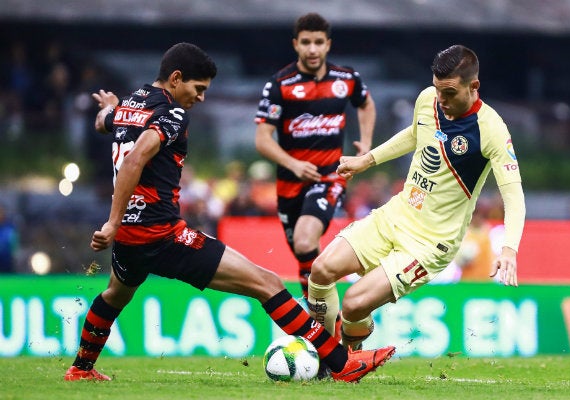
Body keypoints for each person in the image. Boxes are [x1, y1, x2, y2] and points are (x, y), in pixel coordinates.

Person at [63, 42, 394, 383]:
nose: (201, 98)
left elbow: (105, 123)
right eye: (198, 88)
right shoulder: (172, 114)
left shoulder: (130, 105)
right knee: (268, 283)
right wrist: (111, 222)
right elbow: (135, 160)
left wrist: (110, 109)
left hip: (131, 239)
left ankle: (80, 369)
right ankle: (342, 363)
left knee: (115, 294)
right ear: (176, 79)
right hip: (160, 234)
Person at [307, 45, 526, 350]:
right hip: (396, 214)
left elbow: (513, 195)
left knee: (355, 304)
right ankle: (325, 356)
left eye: (449, 93)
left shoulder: (491, 130)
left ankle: (344, 355)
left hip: (429, 244)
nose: (441, 100)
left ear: (473, 86)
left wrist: (509, 249)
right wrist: (366, 160)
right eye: (438, 90)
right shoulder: (428, 99)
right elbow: (414, 134)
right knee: (320, 272)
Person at [254, 13, 376, 310]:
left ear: (328, 45)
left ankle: (322, 318)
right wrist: (293, 164)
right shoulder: (280, 85)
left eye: (318, 42)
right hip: (289, 183)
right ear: (296, 44)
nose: (312, 49)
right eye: (306, 42)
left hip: (329, 176)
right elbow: (262, 139)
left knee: (307, 240)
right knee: (302, 253)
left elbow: (366, 104)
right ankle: (319, 315)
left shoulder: (346, 79)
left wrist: (366, 142)